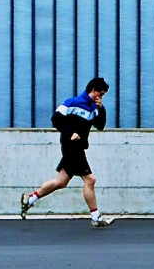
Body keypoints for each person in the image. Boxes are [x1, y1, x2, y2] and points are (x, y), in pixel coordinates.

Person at [20, 77, 114, 228]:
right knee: (90, 180)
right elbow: (56, 119)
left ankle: (30, 199)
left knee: (61, 182)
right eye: (100, 94)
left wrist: (101, 109)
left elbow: (100, 126)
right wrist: (70, 133)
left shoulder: (94, 108)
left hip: (79, 146)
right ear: (93, 90)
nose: (101, 97)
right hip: (71, 146)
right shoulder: (73, 102)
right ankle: (96, 218)